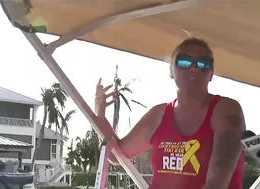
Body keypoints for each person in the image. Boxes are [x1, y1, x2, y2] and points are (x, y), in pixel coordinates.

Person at [95, 38, 246, 189]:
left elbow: (218, 182)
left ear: (211, 73)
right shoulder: (158, 115)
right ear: (171, 71)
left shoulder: (226, 110)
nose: (194, 68)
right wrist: (99, 115)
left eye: (203, 64)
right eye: (184, 62)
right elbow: (116, 155)